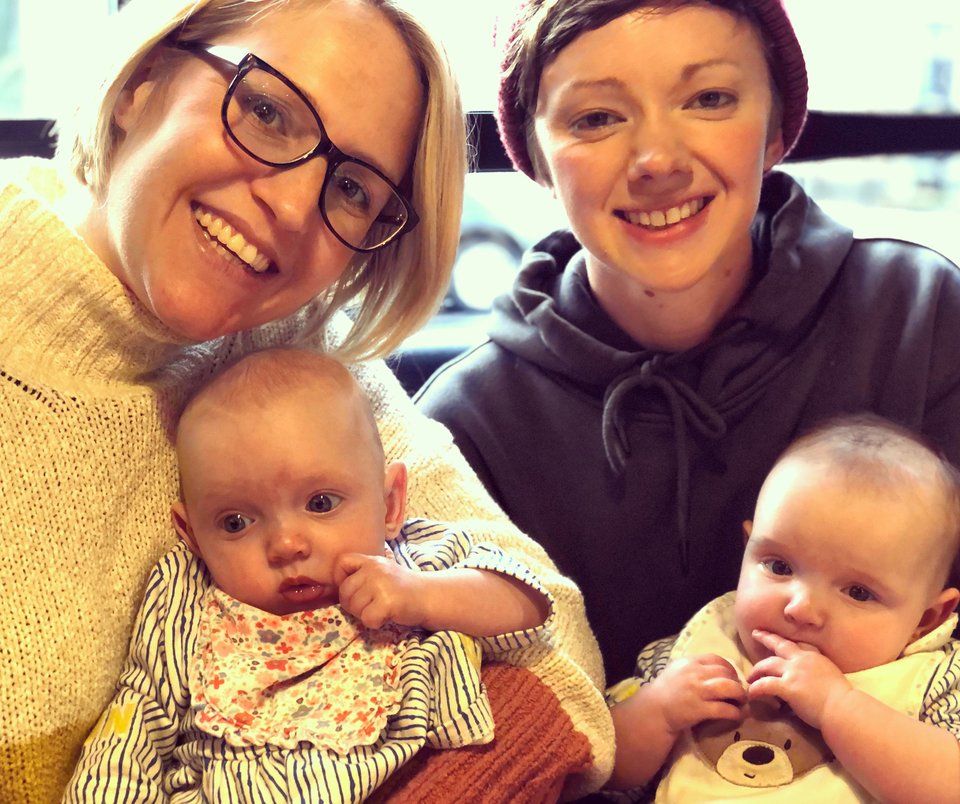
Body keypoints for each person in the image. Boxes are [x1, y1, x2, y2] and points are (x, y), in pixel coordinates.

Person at [0, 0, 612, 800]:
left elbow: (558, 640)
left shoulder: (308, 363)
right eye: (266, 111)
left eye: (354, 189)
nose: (292, 207)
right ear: (141, 82)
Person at [415, 0, 960, 685]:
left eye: (709, 98)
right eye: (596, 118)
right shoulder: (464, 430)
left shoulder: (920, 316)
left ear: (774, 127)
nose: (657, 160)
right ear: (538, 160)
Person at [66, 347, 555, 800]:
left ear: (389, 503)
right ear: (192, 535)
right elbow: (135, 729)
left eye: (320, 504)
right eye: (236, 522)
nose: (286, 545)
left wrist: (423, 596)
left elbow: (531, 607)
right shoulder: (190, 602)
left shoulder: (416, 560)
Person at [604, 415, 960, 801]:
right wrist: (657, 712)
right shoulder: (696, 650)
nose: (801, 608)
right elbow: (600, 768)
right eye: (779, 567)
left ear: (925, 620)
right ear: (747, 548)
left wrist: (836, 706)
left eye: (858, 592)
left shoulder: (935, 683)